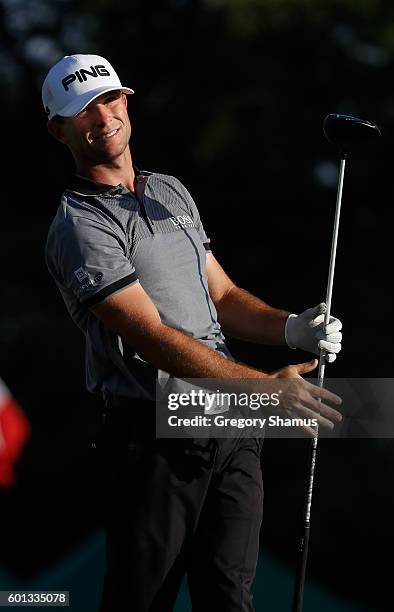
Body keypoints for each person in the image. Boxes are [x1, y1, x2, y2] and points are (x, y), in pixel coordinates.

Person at [42, 54, 343, 612]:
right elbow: (153, 337)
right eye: (82, 110)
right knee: (143, 597)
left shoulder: (170, 191)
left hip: (227, 423)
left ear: (126, 102)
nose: (102, 116)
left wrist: (293, 328)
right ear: (59, 128)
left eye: (109, 99)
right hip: (152, 431)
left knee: (230, 596)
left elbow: (222, 297)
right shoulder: (79, 226)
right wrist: (263, 390)